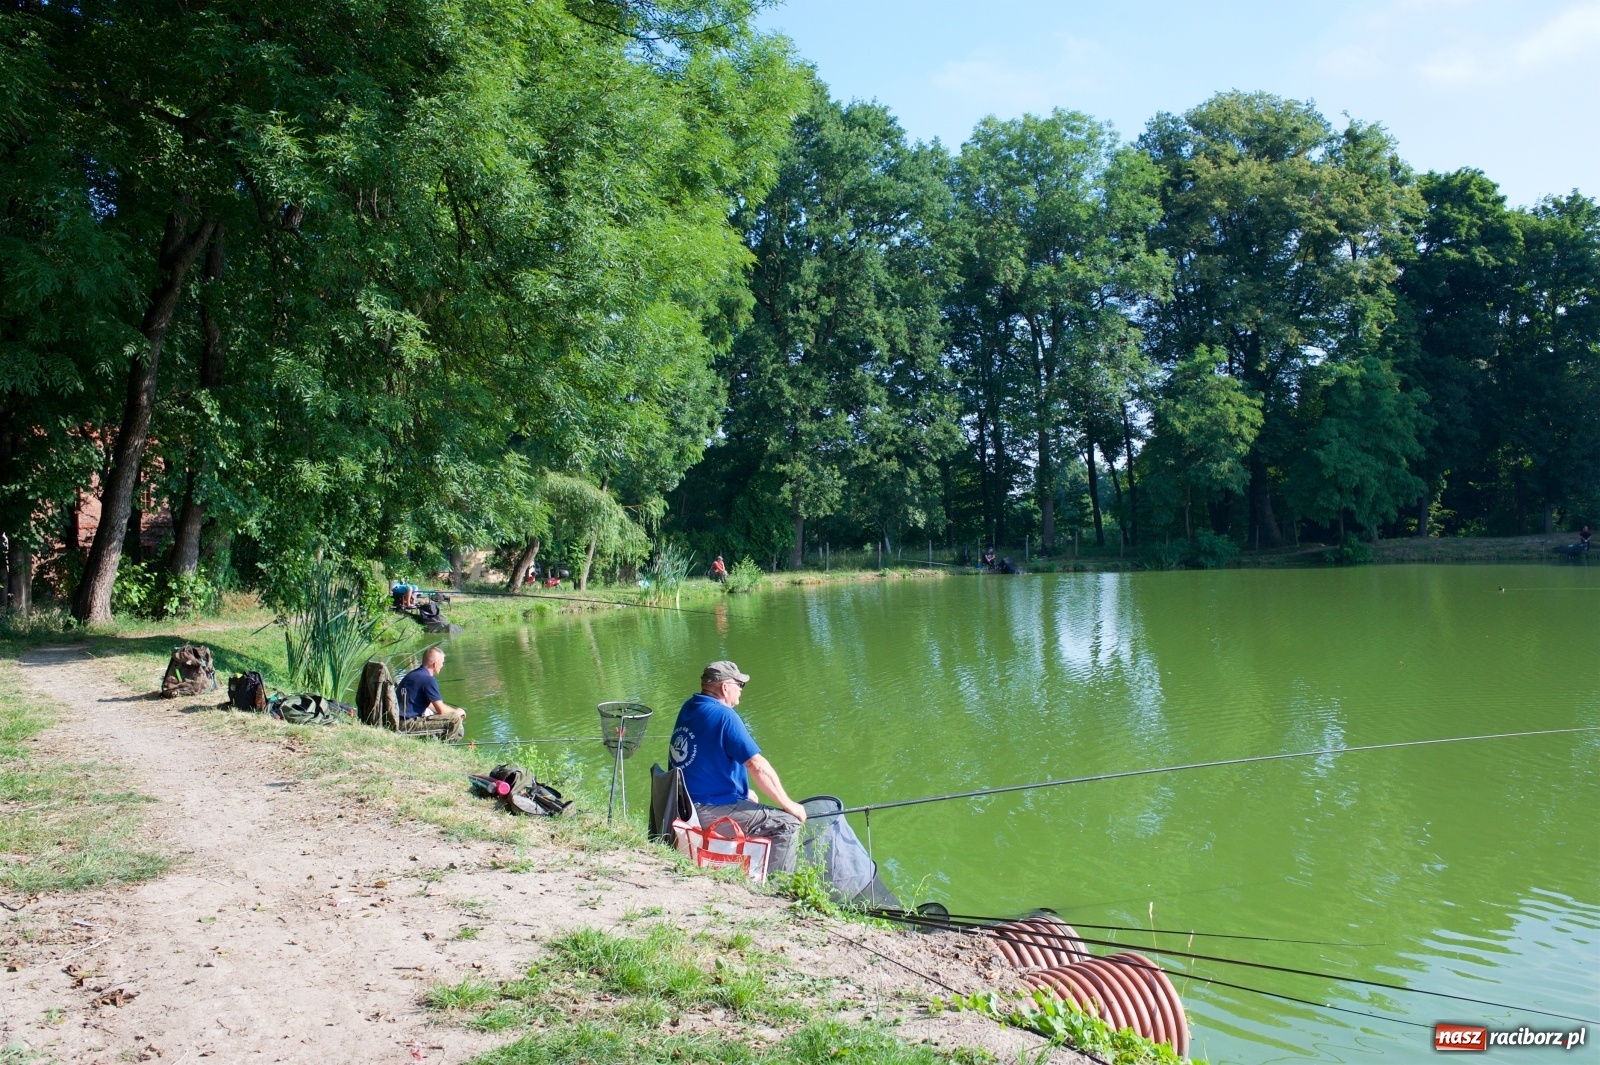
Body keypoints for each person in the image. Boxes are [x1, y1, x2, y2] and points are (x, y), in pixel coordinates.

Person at [668, 660, 805, 874]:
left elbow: (705, 759)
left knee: (752, 801)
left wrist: (740, 793)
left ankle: (746, 870)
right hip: (707, 810)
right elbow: (756, 765)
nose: (741, 693)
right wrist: (789, 805)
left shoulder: (690, 708)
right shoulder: (725, 716)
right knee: (786, 824)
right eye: (740, 686)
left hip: (683, 805)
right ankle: (779, 891)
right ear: (725, 687)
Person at [396, 646, 466, 741]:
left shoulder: (413, 675)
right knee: (454, 719)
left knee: (446, 714)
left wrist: (453, 711)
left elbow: (431, 705)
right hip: (407, 724)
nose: (442, 665)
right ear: (435, 664)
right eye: (442, 663)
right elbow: (441, 709)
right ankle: (444, 747)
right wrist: (457, 712)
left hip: (397, 720)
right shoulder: (428, 680)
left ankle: (435, 742)